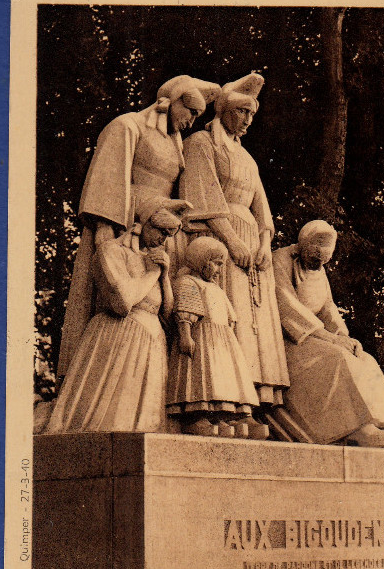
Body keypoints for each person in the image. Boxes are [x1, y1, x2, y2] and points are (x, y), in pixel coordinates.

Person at [57, 75, 221, 380]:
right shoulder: (127, 126)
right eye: (191, 112)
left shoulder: (175, 144)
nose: (192, 122)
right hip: (123, 231)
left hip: (161, 233)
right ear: (172, 101)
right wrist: (106, 244)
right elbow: (106, 193)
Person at [178, 73, 289, 436]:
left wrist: (262, 245)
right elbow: (204, 200)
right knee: (225, 326)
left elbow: (263, 211)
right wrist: (232, 243)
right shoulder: (201, 143)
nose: (247, 120)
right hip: (218, 243)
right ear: (225, 109)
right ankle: (222, 405)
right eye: (242, 111)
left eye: (251, 115)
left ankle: (252, 408)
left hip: (252, 250)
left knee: (254, 329)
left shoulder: (247, 158)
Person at [47, 197, 188, 433]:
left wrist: (164, 277)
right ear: (144, 223)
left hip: (152, 339)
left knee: (147, 424)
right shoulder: (111, 251)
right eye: (160, 231)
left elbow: (166, 314)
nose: (162, 239)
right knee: (111, 419)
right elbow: (122, 303)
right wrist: (153, 274)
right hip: (118, 335)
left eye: (168, 234)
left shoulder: (155, 260)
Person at [271, 220, 384, 448]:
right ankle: (356, 428)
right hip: (290, 341)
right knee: (337, 358)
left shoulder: (319, 271)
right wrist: (330, 338)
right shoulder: (281, 260)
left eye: (323, 260)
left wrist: (343, 336)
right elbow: (286, 307)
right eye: (315, 259)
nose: (318, 265)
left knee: (364, 359)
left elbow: (328, 308)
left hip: (318, 339)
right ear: (304, 245)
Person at [167, 237, 263, 438]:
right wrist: (185, 334)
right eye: (217, 263)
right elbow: (184, 311)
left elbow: (229, 316)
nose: (220, 269)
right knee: (201, 379)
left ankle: (226, 415)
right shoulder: (187, 282)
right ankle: (197, 416)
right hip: (201, 339)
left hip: (221, 341)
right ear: (201, 260)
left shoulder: (216, 288)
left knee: (224, 379)